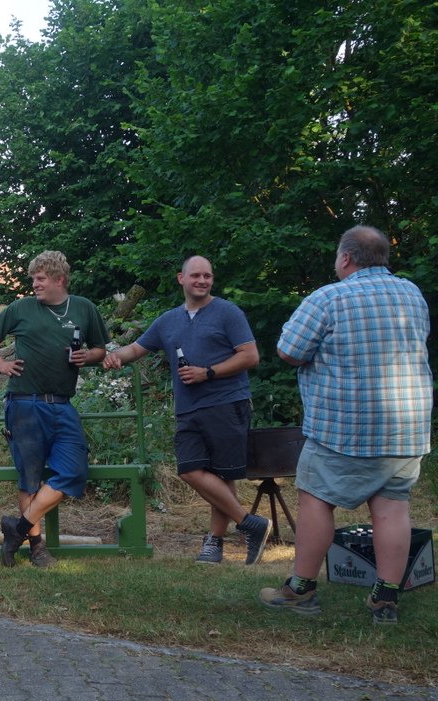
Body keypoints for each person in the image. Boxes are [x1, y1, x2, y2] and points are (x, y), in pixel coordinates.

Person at [260, 225, 432, 624]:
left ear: (346, 258)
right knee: (392, 508)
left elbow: (288, 351)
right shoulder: (412, 294)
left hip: (343, 428)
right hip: (407, 427)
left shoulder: (328, 298)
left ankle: (300, 590)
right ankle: (385, 599)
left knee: (316, 498)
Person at [102, 256, 271, 565]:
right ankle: (250, 523)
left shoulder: (228, 312)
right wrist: (116, 357)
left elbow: (250, 356)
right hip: (188, 408)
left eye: (207, 275)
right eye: (195, 275)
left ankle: (214, 543)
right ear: (181, 278)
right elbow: (136, 348)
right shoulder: (168, 320)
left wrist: (208, 372)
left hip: (226, 403)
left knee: (221, 475)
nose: (202, 281)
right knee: (190, 470)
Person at [0, 251, 108, 568]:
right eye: (33, 278)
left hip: (63, 404)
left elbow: (100, 349)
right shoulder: (22, 307)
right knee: (29, 480)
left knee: (74, 470)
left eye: (40, 278)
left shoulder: (84, 308)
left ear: (59, 279)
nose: (34, 284)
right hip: (25, 404)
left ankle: (16, 529)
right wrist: (0, 362)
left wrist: (87, 356)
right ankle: (36, 547)